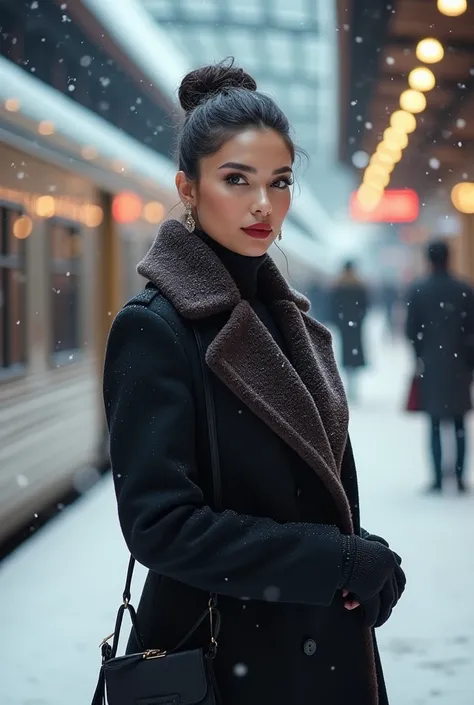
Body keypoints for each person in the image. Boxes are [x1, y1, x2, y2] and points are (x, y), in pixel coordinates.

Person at [103, 59, 406, 705]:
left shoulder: (289, 319)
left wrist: (358, 554)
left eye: (280, 181)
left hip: (315, 649)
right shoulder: (156, 328)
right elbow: (161, 525)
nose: (264, 204)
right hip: (227, 659)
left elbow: (305, 493)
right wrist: (334, 560)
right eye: (236, 179)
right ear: (188, 188)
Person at [406, 239, 474, 493]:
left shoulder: (419, 290)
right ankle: (458, 478)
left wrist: (420, 355)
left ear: (428, 259)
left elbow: (412, 330)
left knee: (434, 423)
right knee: (458, 424)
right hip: (460, 366)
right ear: (449, 258)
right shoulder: (464, 289)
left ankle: (436, 479)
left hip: (431, 365)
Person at [330, 260, 369, 402]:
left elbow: (333, 306)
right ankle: (353, 383)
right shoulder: (359, 286)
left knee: (346, 353)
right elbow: (365, 306)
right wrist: (359, 318)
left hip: (344, 324)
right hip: (356, 324)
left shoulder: (339, 286)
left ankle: (349, 381)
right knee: (355, 352)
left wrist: (338, 321)